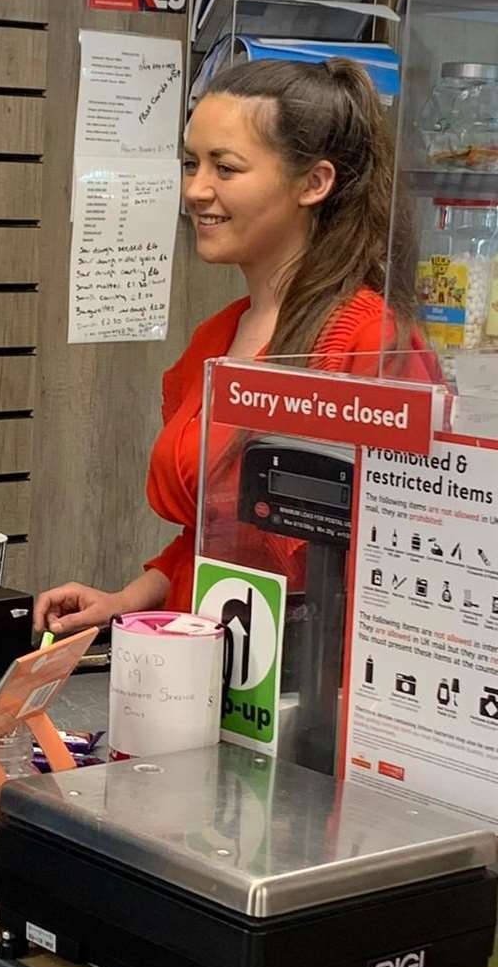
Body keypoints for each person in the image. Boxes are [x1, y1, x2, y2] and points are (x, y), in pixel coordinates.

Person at [35, 57, 432, 637]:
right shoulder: (215, 338)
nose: (196, 190)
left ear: (314, 183)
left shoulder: (372, 339)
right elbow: (215, 532)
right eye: (191, 163)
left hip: (318, 678)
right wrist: (126, 599)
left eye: (226, 167)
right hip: (225, 659)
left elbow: (407, 548)